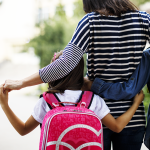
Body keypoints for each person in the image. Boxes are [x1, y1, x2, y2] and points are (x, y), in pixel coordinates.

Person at [3, 0, 150, 149]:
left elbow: (65, 64)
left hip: (94, 115)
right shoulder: (144, 20)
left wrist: (21, 83)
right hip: (132, 117)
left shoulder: (90, 22)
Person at [0, 53, 144, 141]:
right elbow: (117, 127)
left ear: (53, 73)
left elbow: (23, 130)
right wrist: (136, 103)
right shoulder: (93, 100)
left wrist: (5, 105)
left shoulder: (46, 101)